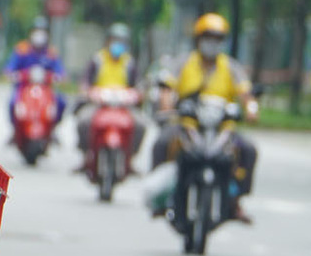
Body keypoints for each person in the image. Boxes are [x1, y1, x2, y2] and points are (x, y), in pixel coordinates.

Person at [151, 13, 260, 221]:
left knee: (248, 149)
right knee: (162, 143)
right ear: (198, 39)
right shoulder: (183, 62)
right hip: (187, 124)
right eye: (208, 37)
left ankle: (236, 202)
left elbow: (247, 94)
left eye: (217, 39)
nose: (212, 43)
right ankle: (161, 197)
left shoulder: (231, 66)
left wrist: (252, 109)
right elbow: (167, 88)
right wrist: (166, 107)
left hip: (223, 128)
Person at [74, 23, 139, 172]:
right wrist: (88, 91)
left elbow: (138, 85)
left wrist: (136, 94)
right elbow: (85, 81)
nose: (117, 44)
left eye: (121, 41)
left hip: (123, 105)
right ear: (107, 41)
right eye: (114, 40)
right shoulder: (97, 60)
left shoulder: (129, 62)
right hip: (99, 103)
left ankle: (129, 159)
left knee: (140, 125)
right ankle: (87, 157)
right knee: (84, 121)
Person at [5, 15, 67, 119]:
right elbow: (9, 69)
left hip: (46, 89)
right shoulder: (22, 49)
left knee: (61, 102)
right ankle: (16, 129)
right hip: (24, 88)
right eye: (37, 31)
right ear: (31, 33)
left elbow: (61, 72)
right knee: (12, 103)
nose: (39, 35)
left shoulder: (51, 53)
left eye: (43, 32)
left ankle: (52, 127)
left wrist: (57, 77)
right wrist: (15, 75)